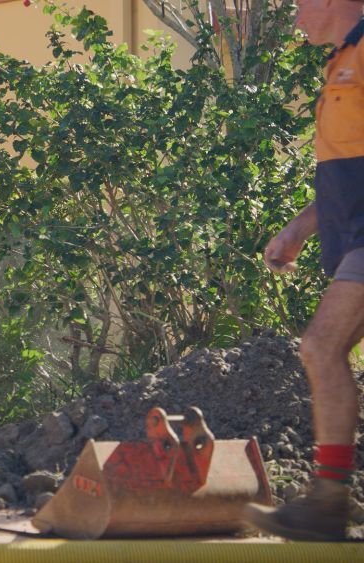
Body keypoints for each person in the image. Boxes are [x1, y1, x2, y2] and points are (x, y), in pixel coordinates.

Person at [245, 0, 364, 541]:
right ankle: (329, 503)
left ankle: (327, 505)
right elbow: (345, 173)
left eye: (299, 3)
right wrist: (298, 230)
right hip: (352, 238)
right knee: (326, 349)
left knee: (320, 347)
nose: (293, 17)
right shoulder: (344, 59)